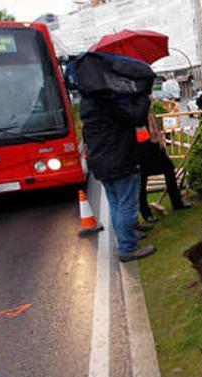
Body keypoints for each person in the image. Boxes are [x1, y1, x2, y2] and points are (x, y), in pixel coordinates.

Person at [76, 52, 156, 262]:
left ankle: (125, 237)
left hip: (101, 162)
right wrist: (143, 98)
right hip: (119, 159)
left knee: (116, 203)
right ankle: (127, 247)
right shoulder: (108, 100)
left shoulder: (88, 101)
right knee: (127, 204)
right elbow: (136, 117)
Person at [138, 105, 191, 222]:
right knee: (141, 180)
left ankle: (177, 202)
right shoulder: (135, 108)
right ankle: (146, 213)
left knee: (169, 169)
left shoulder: (146, 106)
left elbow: (155, 127)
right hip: (141, 150)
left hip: (154, 146)